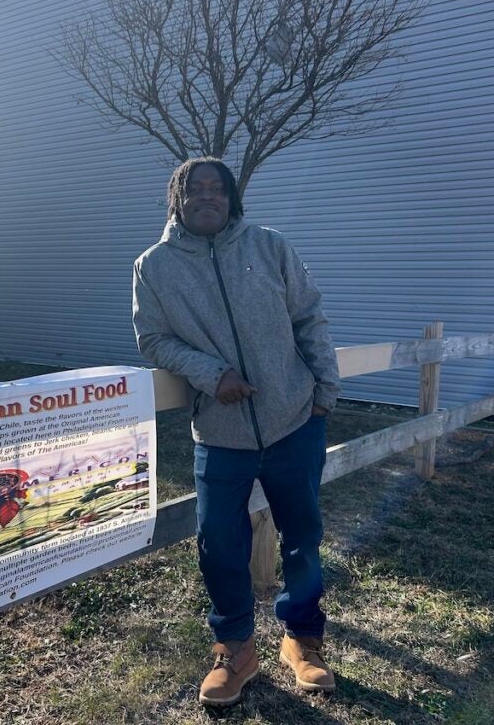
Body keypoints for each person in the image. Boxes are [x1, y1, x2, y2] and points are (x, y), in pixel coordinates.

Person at [132, 157, 341, 705]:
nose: (207, 196)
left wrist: (325, 388)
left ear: (231, 198)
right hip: (219, 432)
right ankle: (235, 649)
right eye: (195, 189)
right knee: (220, 545)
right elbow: (153, 339)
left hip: (294, 422)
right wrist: (209, 373)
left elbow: (308, 316)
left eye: (217, 189)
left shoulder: (270, 246)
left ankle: (302, 639)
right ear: (177, 199)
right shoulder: (154, 266)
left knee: (303, 539)